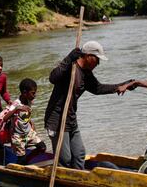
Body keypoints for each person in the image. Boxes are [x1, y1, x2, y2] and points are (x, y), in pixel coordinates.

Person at [44, 41, 134, 170]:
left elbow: (98, 88)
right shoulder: (71, 67)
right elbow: (53, 78)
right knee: (65, 159)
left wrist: (122, 85)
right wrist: (69, 58)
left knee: (79, 154)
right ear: (88, 56)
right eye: (97, 60)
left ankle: (79, 180)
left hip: (70, 118)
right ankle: (66, 185)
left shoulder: (86, 74)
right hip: (57, 120)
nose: (98, 64)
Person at [7, 78, 46, 165]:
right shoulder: (16, 104)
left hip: (28, 133)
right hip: (18, 136)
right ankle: (19, 166)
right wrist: (17, 109)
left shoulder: (29, 101)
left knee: (42, 147)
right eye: (33, 93)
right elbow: (5, 118)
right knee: (21, 159)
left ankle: (27, 159)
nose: (34, 95)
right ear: (25, 93)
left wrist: (32, 125)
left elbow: (26, 116)